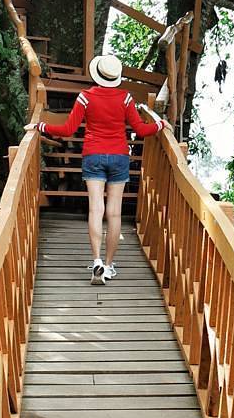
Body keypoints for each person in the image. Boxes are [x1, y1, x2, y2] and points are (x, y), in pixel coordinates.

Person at [26, 53, 168, 284]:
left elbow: (68, 129)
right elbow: (141, 130)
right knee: (114, 213)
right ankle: (109, 266)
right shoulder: (125, 98)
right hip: (119, 156)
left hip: (93, 155)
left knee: (96, 210)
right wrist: (161, 124)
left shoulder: (85, 97)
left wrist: (40, 125)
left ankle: (96, 262)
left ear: (97, 74)